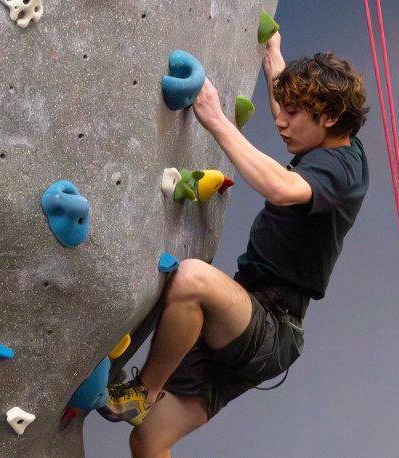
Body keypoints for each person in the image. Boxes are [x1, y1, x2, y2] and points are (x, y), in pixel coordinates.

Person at [98, 31, 370, 457]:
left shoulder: (341, 171)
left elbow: (280, 187)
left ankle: (142, 392)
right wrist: (273, 55)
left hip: (270, 326)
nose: (280, 121)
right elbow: (292, 110)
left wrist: (216, 120)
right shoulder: (333, 140)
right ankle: (145, 404)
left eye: (293, 113)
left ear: (331, 117)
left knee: (192, 279)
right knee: (149, 439)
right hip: (244, 320)